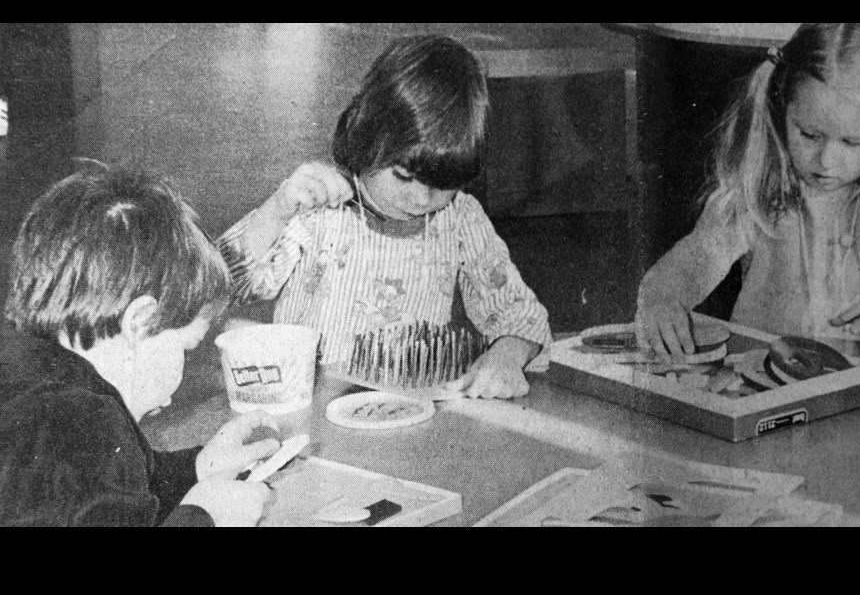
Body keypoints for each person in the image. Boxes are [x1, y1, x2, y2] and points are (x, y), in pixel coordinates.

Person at [218, 35, 551, 399]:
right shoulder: (320, 210)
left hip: (410, 416)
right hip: (313, 414)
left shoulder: (459, 219)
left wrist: (507, 354)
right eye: (404, 177)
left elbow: (522, 314)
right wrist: (277, 210)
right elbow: (222, 286)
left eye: (444, 185)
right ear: (369, 137)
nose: (423, 199)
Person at [636, 23, 860, 361]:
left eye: (851, 142)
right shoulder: (758, 194)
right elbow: (695, 260)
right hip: (761, 389)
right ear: (783, 105)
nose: (826, 160)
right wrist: (661, 297)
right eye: (809, 134)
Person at [0, 163, 282, 526]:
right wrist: (204, 519)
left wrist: (197, 470)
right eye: (186, 346)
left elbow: (105, 496)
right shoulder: (86, 422)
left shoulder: (28, 382)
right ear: (140, 322)